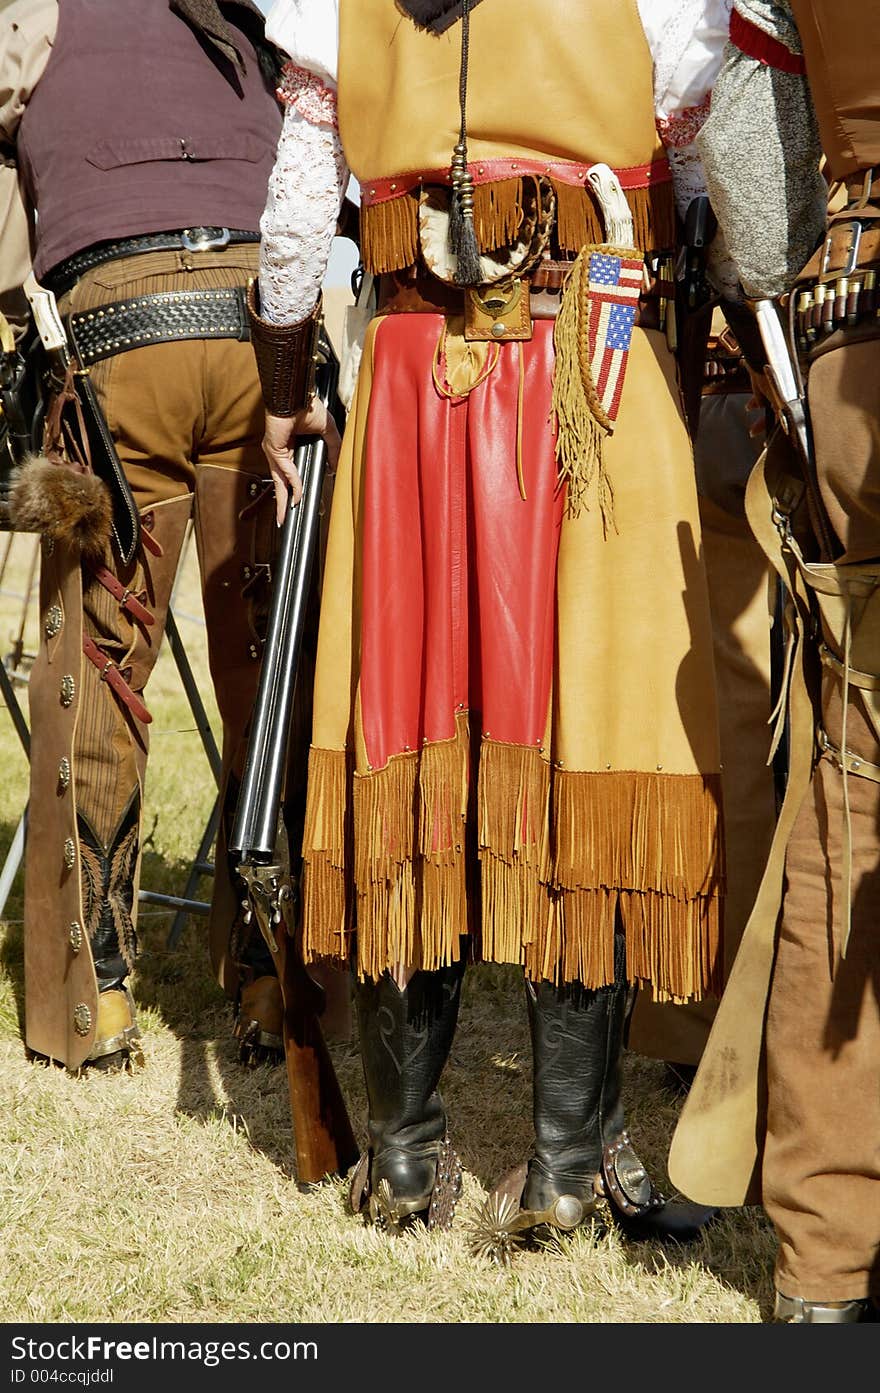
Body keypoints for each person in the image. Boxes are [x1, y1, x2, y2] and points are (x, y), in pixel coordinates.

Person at [250, 0, 730, 1249]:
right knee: (594, 738)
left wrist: (288, 386)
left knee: (409, 730)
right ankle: (569, 1167)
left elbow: (297, 230)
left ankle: (406, 1162)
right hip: (591, 371)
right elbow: (710, 171)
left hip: (417, 377)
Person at [0, 0, 329, 1073]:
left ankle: (96, 995)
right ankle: (275, 975)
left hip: (117, 330)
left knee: (104, 655)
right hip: (258, 326)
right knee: (266, 660)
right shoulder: (262, 13)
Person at [669, 0, 880, 1323]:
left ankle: (828, 1260)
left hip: (858, 316)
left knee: (851, 787)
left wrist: (803, 380)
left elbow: (751, 143)